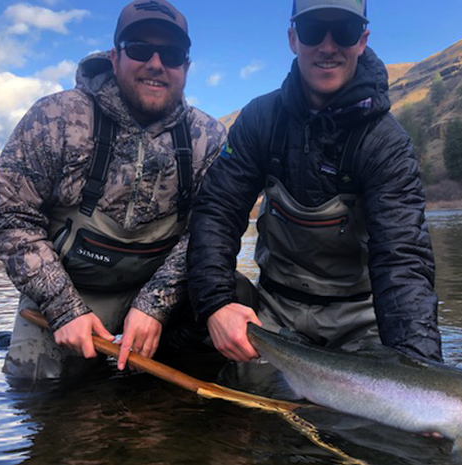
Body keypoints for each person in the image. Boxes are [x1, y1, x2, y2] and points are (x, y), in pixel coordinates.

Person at [187, 0, 443, 388]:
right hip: (272, 313)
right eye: (312, 31)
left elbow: (402, 260)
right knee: (191, 323)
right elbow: (217, 213)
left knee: (381, 430)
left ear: (362, 40)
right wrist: (216, 305)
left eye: (343, 31)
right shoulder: (259, 120)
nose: (327, 45)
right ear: (292, 39)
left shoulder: (386, 143)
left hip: (359, 323)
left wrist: (420, 375)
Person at [0, 0, 226, 381]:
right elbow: (8, 214)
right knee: (33, 388)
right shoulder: (55, 118)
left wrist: (155, 305)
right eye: (140, 49)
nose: (156, 64)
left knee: (235, 301)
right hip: (68, 292)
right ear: (114, 57)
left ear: (186, 67)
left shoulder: (207, 138)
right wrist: (63, 308)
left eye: (172, 54)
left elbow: (209, 233)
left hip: (159, 296)